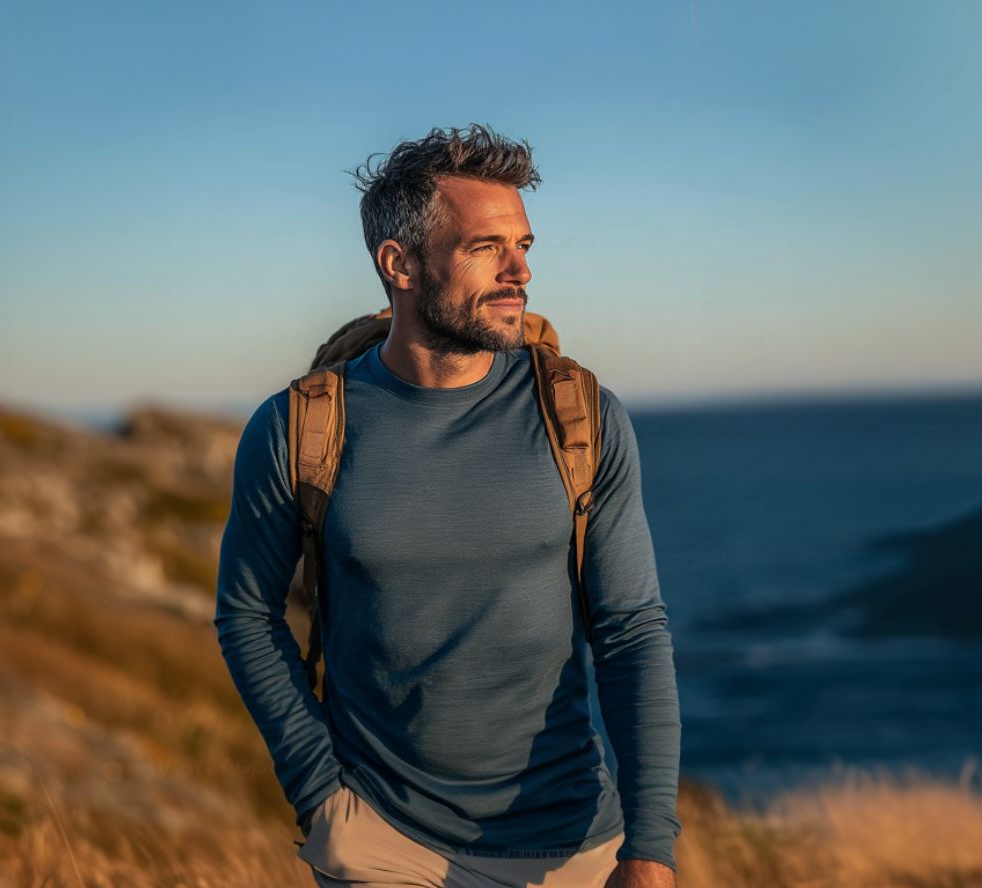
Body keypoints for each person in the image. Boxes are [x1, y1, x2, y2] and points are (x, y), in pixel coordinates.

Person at [215, 124, 681, 888]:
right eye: (485, 248)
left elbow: (631, 629)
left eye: (522, 245)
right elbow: (246, 614)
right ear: (399, 264)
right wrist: (322, 800)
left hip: (573, 846)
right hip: (381, 845)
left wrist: (651, 845)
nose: (520, 270)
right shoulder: (297, 427)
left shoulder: (581, 418)